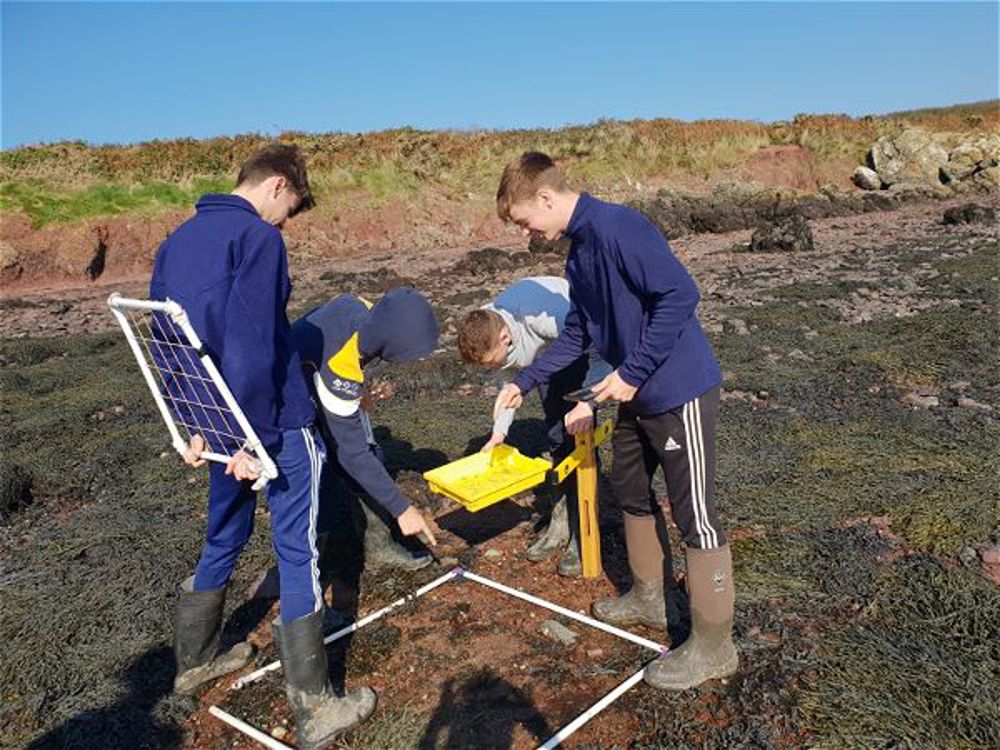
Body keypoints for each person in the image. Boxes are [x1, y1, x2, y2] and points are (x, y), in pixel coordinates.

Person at [150, 143, 375, 748]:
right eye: (291, 208)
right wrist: (257, 438)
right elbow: (253, 346)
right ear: (277, 185)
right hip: (269, 424)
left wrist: (198, 424)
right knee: (297, 549)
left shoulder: (179, 240)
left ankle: (194, 664)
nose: (286, 223)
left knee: (223, 531)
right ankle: (316, 708)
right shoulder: (256, 240)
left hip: (212, 421)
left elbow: (166, 339)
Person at [492, 152, 737, 691]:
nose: (526, 232)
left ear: (546, 199)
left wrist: (632, 371)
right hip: (636, 396)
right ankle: (649, 597)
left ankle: (715, 646)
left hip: (679, 390)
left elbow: (680, 295)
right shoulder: (580, 255)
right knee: (628, 488)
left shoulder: (621, 227)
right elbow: (579, 333)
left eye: (524, 220)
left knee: (696, 513)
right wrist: (524, 381)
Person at [457, 276, 609, 576]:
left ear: (505, 337)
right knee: (557, 438)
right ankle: (561, 522)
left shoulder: (538, 314)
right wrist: (499, 433)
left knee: (580, 435)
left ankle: (586, 531)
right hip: (545, 360)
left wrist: (588, 401)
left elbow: (598, 341)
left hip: (584, 343)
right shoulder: (487, 331)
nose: (490, 368)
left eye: (490, 362)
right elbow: (508, 382)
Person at [290, 287, 439, 573]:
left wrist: (358, 389)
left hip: (308, 369)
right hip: (289, 397)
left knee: (353, 457)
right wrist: (403, 510)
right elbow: (353, 453)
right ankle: (344, 550)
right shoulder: (340, 368)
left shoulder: (361, 308)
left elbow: (343, 341)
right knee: (341, 461)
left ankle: (342, 536)